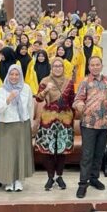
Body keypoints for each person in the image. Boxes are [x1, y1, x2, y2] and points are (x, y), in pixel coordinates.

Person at [73, 56, 107, 198]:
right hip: (89, 124)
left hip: (104, 123)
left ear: (102, 66)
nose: (95, 67)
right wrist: (79, 105)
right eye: (92, 65)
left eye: (98, 64)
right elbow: (78, 99)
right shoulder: (85, 82)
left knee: (99, 153)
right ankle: (82, 183)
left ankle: (94, 178)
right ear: (89, 67)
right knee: (87, 155)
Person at [34, 57, 75, 191]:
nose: (58, 68)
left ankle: (60, 176)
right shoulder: (45, 81)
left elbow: (72, 100)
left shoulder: (69, 82)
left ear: (63, 68)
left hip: (65, 120)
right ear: (51, 68)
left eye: (60, 66)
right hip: (48, 120)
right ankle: (50, 177)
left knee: (62, 150)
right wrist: (46, 90)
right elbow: (39, 99)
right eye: (55, 66)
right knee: (49, 151)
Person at [0, 64, 35, 192]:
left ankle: (18, 180)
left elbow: (30, 106)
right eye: (11, 74)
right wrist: (8, 99)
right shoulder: (2, 89)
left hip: (22, 124)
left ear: (20, 75)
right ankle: (8, 181)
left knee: (20, 153)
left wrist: (31, 121)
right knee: (7, 154)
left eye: (17, 74)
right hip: (6, 124)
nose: (14, 77)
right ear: (8, 75)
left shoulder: (26, 88)